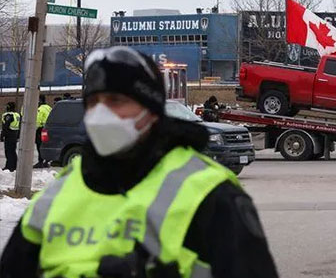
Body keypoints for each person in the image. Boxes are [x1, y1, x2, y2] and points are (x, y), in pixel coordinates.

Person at [1, 46, 278, 278]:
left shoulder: (208, 194)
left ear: (151, 110)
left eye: (116, 101)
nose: (101, 114)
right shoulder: (54, 197)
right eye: (94, 102)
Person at [33, 95, 52, 168]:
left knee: (39, 145)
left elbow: (38, 120)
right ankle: (47, 161)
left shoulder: (40, 109)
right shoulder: (49, 107)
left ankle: (40, 161)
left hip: (41, 130)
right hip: (48, 129)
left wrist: (34, 129)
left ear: (40, 100)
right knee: (46, 145)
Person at [1, 102, 21, 172]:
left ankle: (9, 166)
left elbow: (5, 126)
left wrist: (2, 136)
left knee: (8, 151)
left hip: (9, 134)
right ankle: (14, 165)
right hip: (15, 134)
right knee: (13, 151)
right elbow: (19, 125)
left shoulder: (8, 115)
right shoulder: (17, 115)